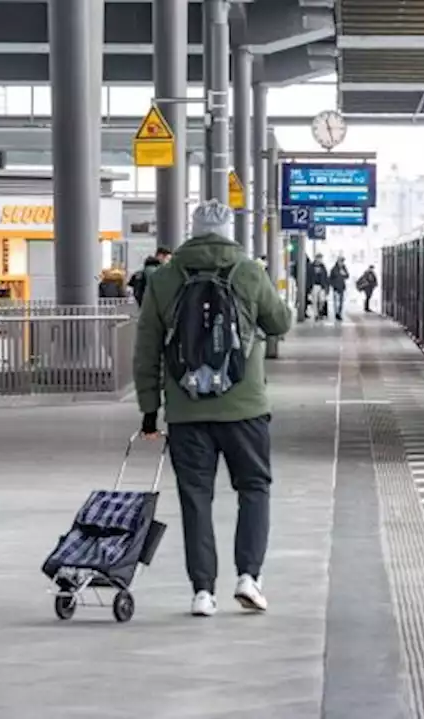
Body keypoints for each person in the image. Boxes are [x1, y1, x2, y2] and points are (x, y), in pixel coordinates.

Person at [133, 201, 292, 617]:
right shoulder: (249, 271)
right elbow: (280, 323)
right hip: (246, 408)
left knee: (195, 499)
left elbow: (147, 348)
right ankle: (249, 577)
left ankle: (203, 592)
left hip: (186, 411)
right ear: (227, 231)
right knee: (254, 490)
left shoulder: (165, 277)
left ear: (194, 229)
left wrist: (150, 410)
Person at [307, 254, 329, 321]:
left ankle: (320, 310)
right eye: (319, 258)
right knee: (315, 301)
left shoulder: (323, 267)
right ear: (316, 258)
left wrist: (326, 287)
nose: (320, 260)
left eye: (321, 258)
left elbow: (326, 277)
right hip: (314, 285)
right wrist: (309, 287)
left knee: (322, 300)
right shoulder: (311, 266)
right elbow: (309, 277)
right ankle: (316, 315)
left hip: (321, 286)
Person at [329, 255, 349, 321]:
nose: (342, 263)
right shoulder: (334, 269)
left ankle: (339, 313)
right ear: (338, 261)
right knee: (336, 301)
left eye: (343, 261)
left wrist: (344, 274)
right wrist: (333, 285)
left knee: (341, 302)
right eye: (341, 261)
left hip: (342, 287)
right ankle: (336, 313)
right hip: (336, 287)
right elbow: (330, 278)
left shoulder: (344, 268)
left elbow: (347, 276)